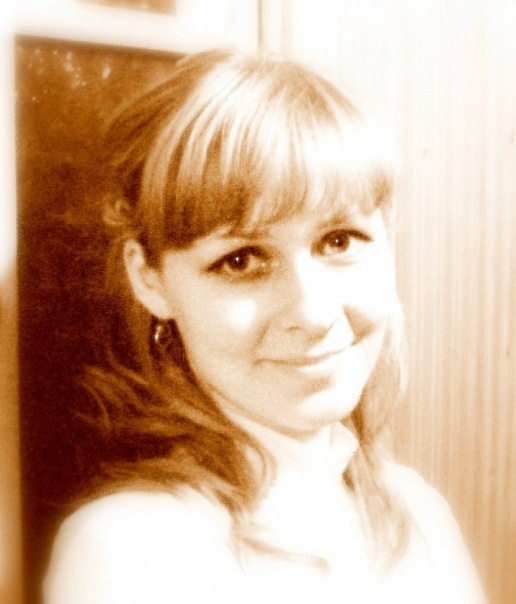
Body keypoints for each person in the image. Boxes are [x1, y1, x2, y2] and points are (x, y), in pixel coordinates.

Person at [43, 49, 484, 604]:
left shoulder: (420, 516)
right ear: (150, 280)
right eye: (241, 259)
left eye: (339, 241)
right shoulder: (132, 551)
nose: (313, 313)